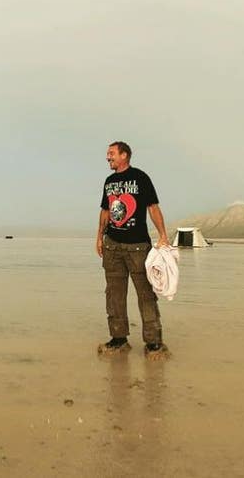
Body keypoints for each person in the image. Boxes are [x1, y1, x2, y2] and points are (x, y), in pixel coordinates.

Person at [95, 141, 171, 358]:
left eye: (111, 153)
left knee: (146, 295)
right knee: (114, 295)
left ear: (124, 155)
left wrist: (163, 235)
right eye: (108, 154)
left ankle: (154, 343)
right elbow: (105, 211)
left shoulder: (141, 178)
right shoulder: (109, 182)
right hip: (112, 246)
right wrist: (99, 237)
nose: (108, 157)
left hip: (138, 247)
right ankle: (119, 339)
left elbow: (153, 207)